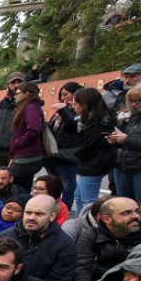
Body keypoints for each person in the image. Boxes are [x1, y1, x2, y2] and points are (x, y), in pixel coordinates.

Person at [0, 194, 77, 281]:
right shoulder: (5, 236)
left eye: (39, 214)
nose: (31, 217)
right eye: (28, 212)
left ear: (52, 217)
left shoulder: (65, 245)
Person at [74, 197, 141, 281]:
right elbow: (82, 269)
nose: (135, 216)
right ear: (107, 219)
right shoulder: (91, 236)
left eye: (137, 211)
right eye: (126, 213)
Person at [71, 88, 116, 211]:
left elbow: (87, 148)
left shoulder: (98, 124)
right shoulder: (89, 120)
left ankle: (86, 226)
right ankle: (80, 223)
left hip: (94, 165)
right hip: (90, 165)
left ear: (85, 104)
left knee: (88, 201)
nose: (73, 106)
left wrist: (70, 154)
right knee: (79, 197)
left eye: (75, 103)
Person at [43, 81, 84, 211]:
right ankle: (52, 206)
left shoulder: (79, 110)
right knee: (53, 183)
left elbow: (74, 126)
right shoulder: (60, 112)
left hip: (67, 154)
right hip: (53, 153)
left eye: (65, 94)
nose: (62, 98)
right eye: (61, 95)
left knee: (68, 184)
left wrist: (64, 109)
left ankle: (65, 208)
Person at [9, 82, 46, 191]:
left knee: (18, 187)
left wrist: (19, 143)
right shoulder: (28, 107)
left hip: (27, 157)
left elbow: (34, 129)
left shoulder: (31, 108)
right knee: (22, 186)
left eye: (18, 93)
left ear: (27, 94)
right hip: (22, 156)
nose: (16, 96)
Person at [0, 72, 24, 172]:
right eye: (13, 83)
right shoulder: (2, 104)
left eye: (19, 82)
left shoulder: (26, 104)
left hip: (15, 152)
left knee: (15, 182)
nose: (17, 85)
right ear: (8, 85)